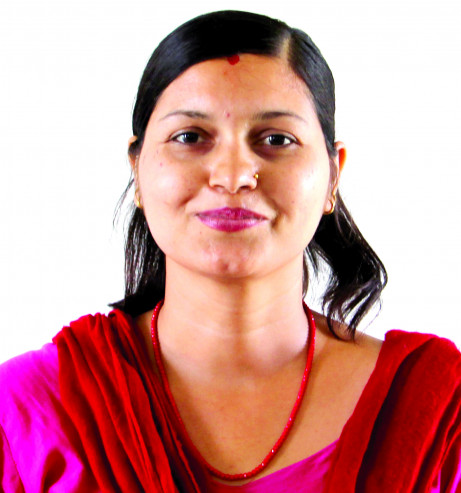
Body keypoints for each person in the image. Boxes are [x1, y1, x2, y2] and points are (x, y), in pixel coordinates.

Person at [1, 10, 460, 492]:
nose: (233, 175)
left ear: (333, 174)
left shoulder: (438, 416)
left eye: (277, 139)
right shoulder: (27, 411)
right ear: (137, 169)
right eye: (190, 137)